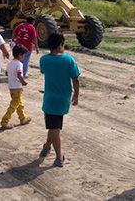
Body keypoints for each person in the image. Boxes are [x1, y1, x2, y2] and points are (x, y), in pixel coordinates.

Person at [39, 32, 80, 168]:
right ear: (61, 45)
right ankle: (46, 147)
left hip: (50, 99)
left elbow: (44, 72)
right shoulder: (69, 60)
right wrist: (76, 95)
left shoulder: (44, 60)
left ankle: (58, 157)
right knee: (54, 126)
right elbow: (76, 79)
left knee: (54, 127)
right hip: (63, 99)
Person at [0, 44, 32, 129]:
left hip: (11, 87)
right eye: (24, 55)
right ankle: (5, 121)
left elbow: (7, 73)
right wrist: (23, 81)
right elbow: (19, 74)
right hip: (17, 87)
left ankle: (23, 118)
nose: (24, 57)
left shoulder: (10, 63)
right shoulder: (19, 64)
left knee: (19, 104)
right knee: (14, 105)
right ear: (20, 55)